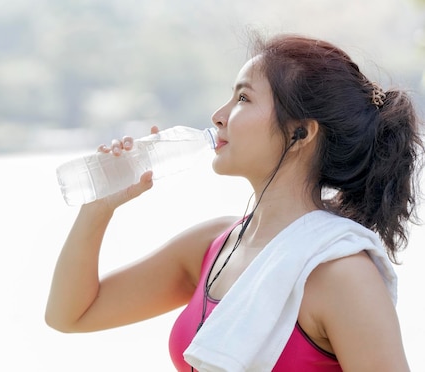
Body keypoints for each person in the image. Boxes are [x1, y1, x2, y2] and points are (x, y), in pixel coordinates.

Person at [45, 34, 422, 371]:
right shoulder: (214, 245)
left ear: (301, 132)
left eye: (243, 97)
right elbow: (71, 315)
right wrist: (98, 207)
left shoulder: (341, 274)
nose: (218, 116)